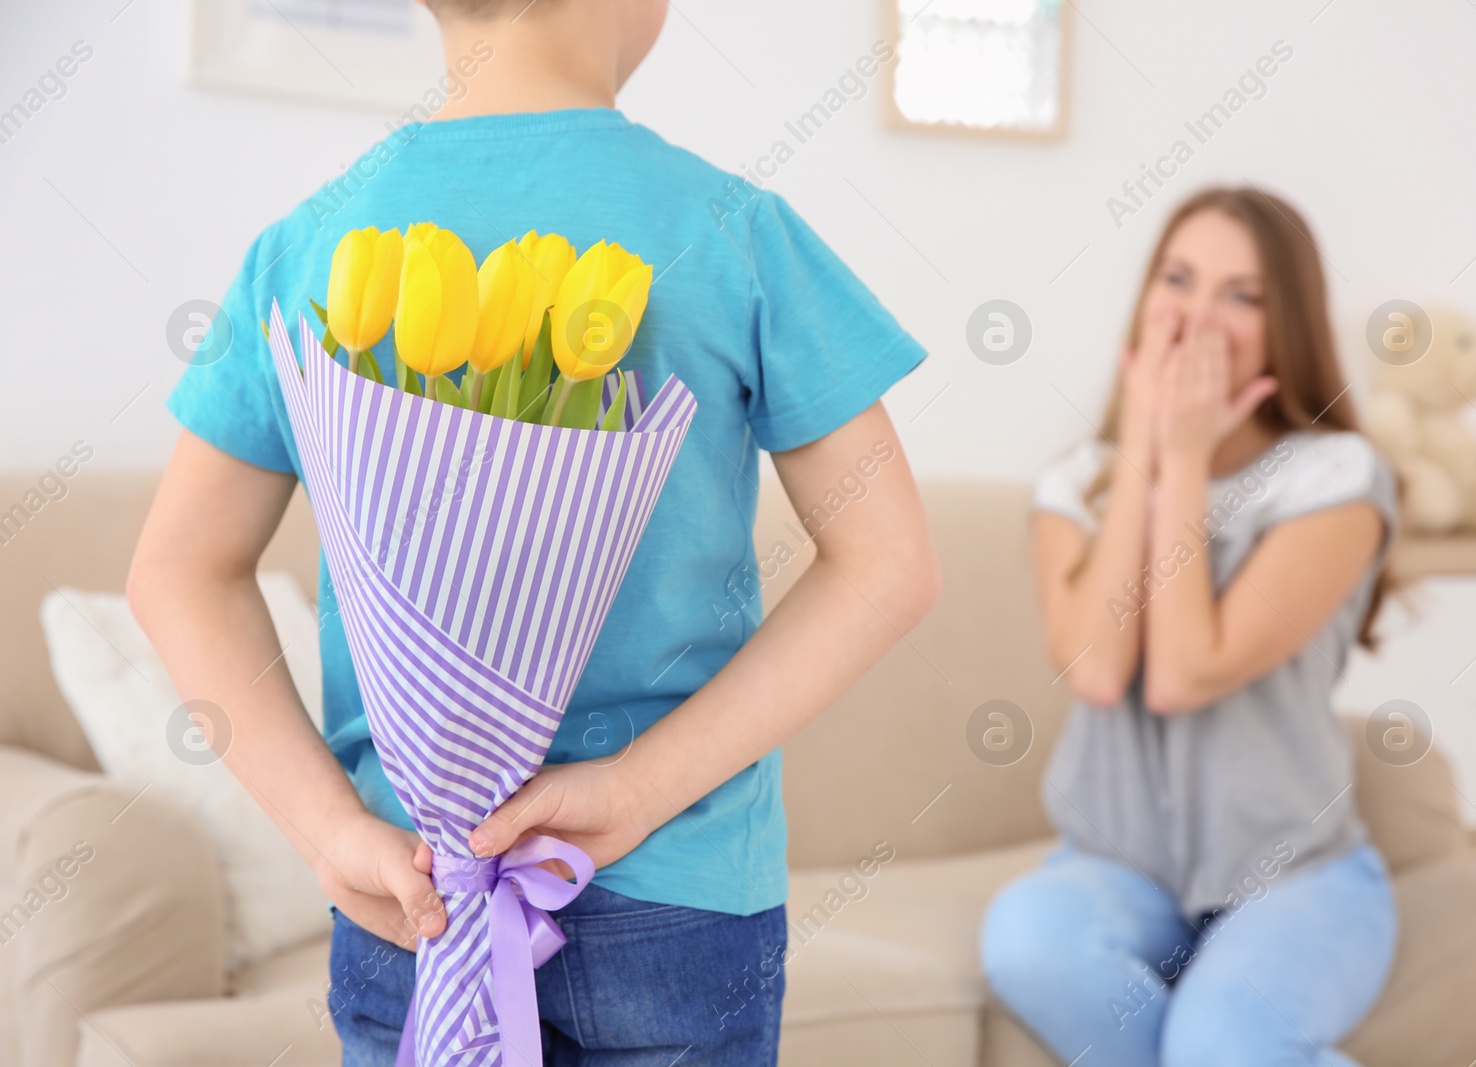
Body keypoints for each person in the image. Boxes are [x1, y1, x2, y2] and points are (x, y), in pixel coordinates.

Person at [127, 2, 940, 1064]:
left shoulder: (310, 243)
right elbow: (890, 565)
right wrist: (636, 788)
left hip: (407, 893)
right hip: (678, 890)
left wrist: (329, 833)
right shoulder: (732, 227)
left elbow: (176, 572)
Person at [981, 186, 1398, 1067]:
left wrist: (1184, 457)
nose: (1199, 315)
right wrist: (1144, 452)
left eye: (1242, 294)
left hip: (1298, 875)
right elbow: (1097, 670)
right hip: (1117, 868)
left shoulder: (1336, 475)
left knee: (1220, 1042)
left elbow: (1182, 672)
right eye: (1179, 279)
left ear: (1287, 324)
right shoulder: (1077, 483)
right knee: (1023, 939)